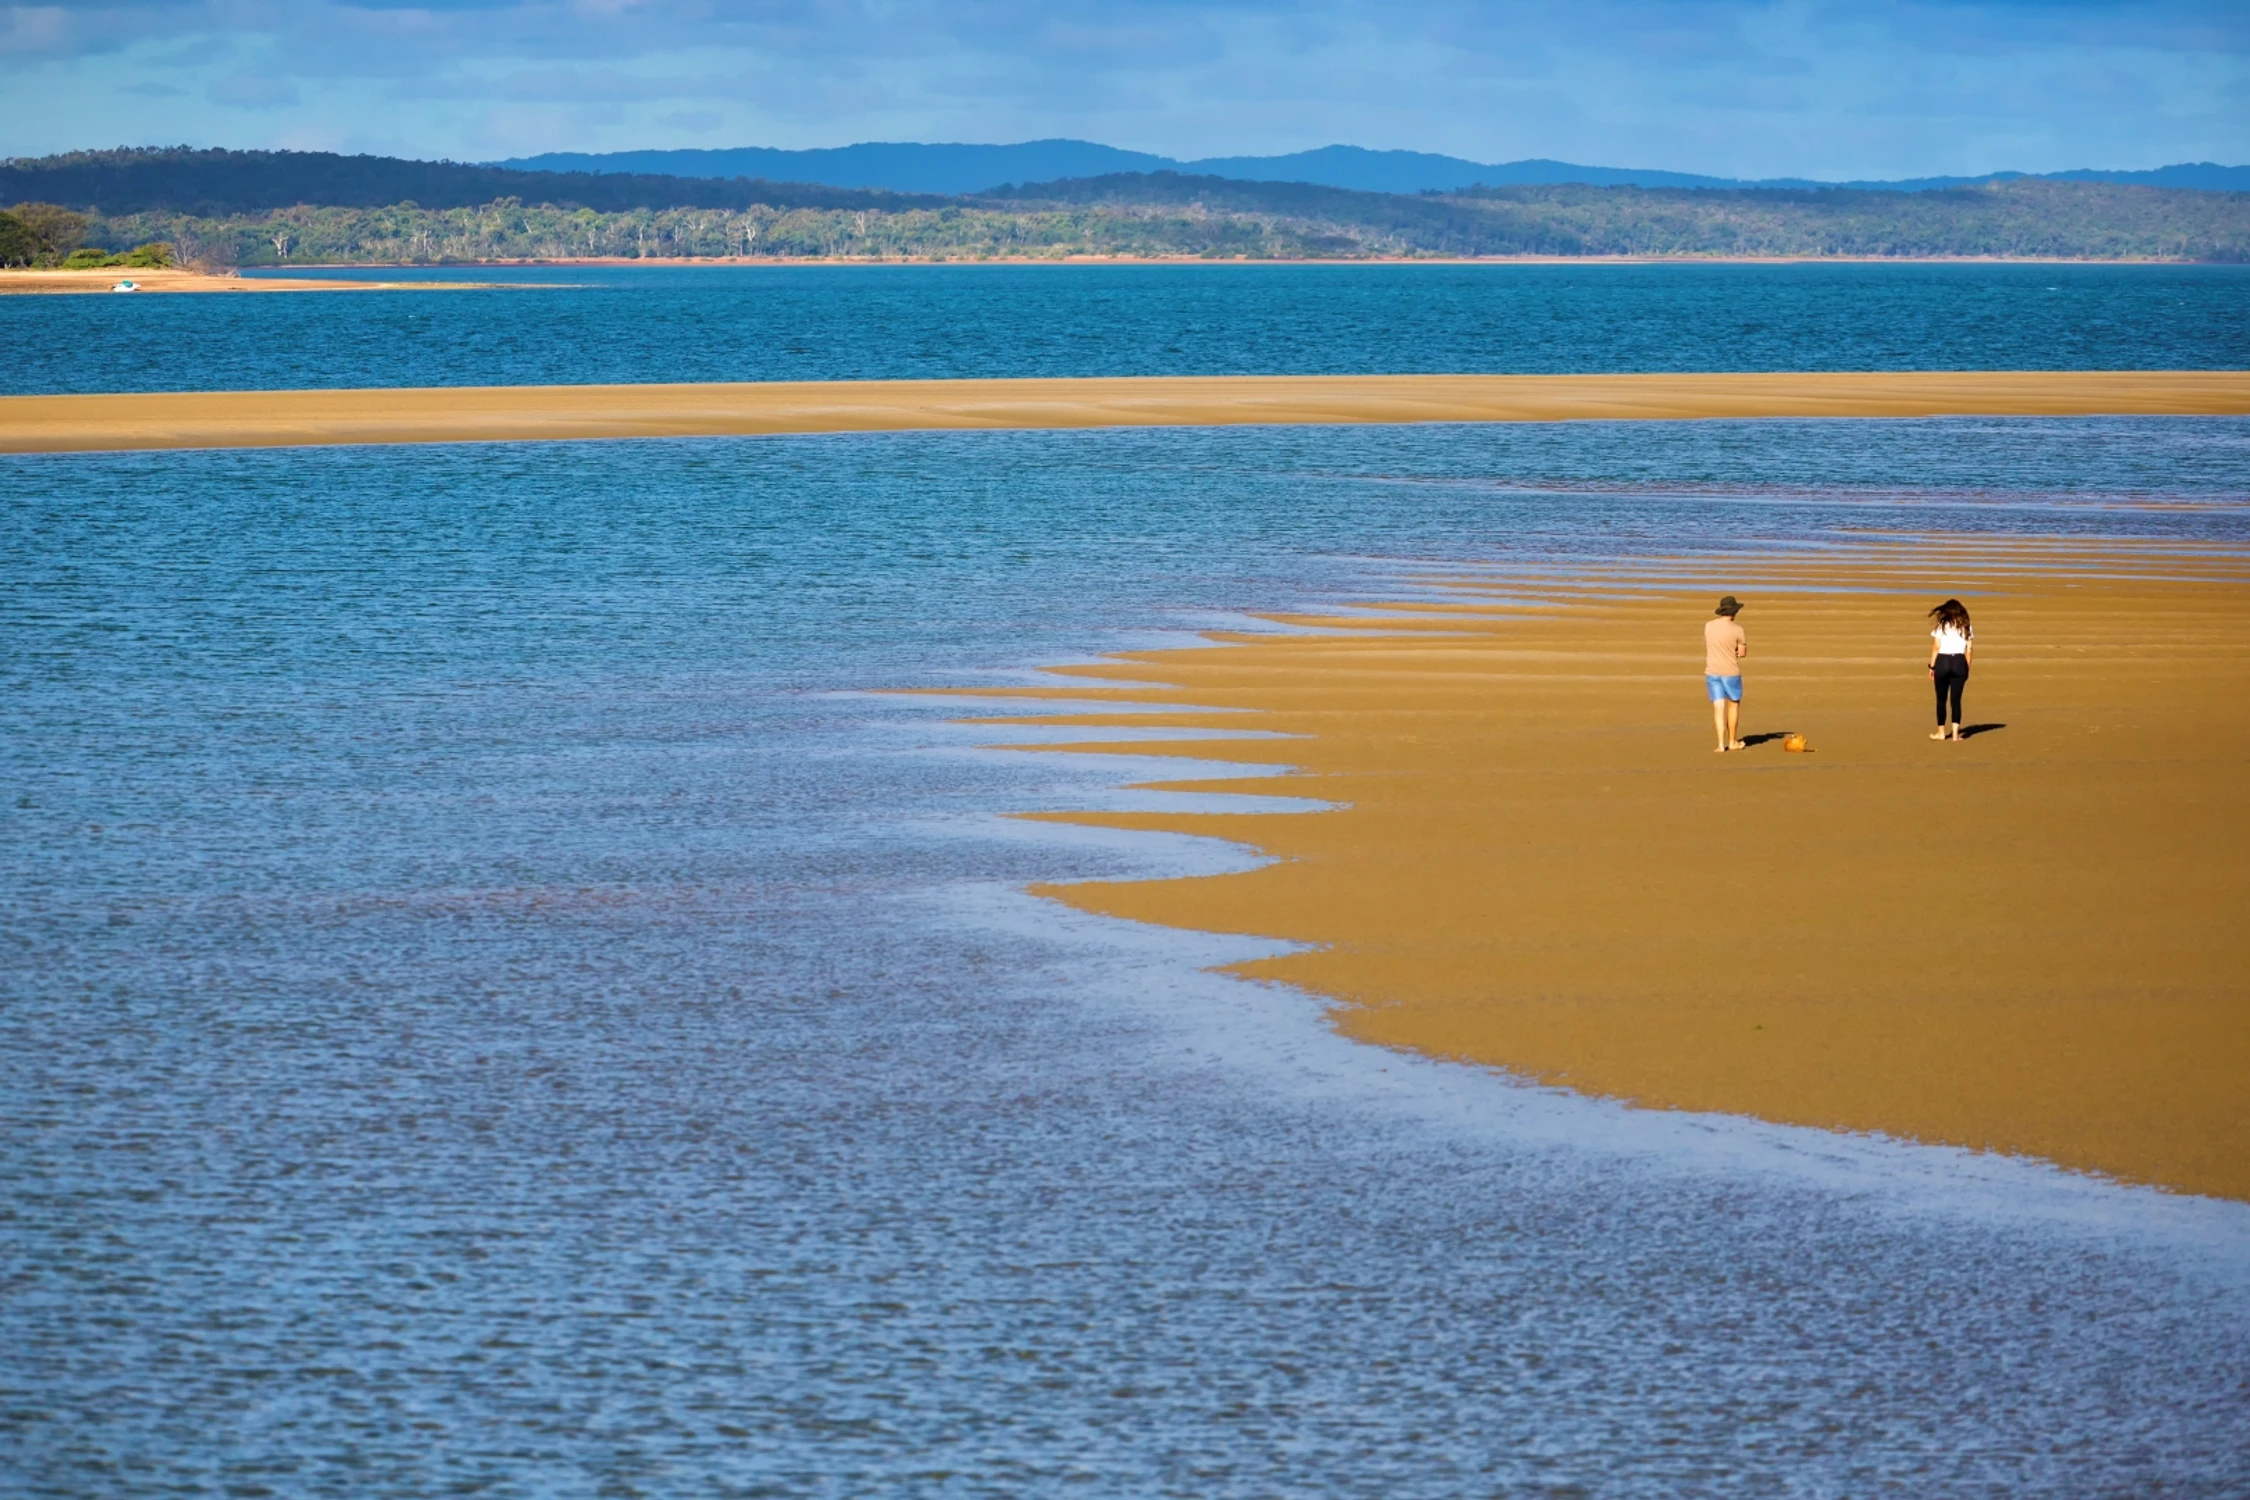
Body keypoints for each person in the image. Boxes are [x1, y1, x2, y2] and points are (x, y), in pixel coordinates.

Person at [1704, 595, 1747, 752]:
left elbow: (1707, 643)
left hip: (1712, 671)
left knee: (1718, 707)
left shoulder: (1708, 626)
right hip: (1730, 672)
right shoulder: (1737, 629)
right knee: (1733, 705)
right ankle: (1733, 741)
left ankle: (1721, 744)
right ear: (1734, 612)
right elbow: (1742, 653)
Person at [1927, 598, 1973, 741]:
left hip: (1943, 661)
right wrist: (1967, 668)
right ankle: (1955, 734)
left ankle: (1941, 733)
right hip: (1959, 661)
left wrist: (1932, 666)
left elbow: (1936, 647)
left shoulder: (1941, 625)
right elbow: (1969, 650)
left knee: (1941, 699)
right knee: (1956, 700)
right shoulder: (1966, 626)